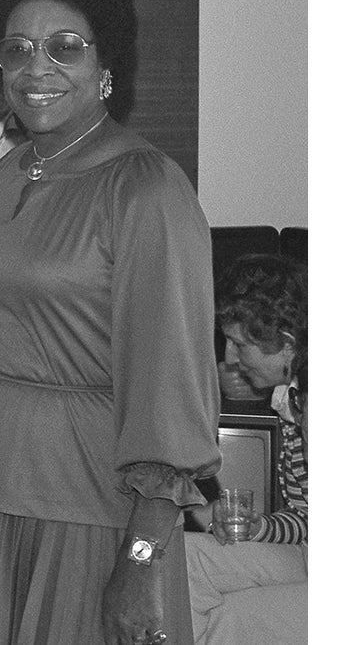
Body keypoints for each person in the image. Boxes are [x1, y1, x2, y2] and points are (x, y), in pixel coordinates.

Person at [0, 0, 221, 645]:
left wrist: (141, 561)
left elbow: (173, 392)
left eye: (65, 46)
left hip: (89, 513)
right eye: (16, 49)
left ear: (104, 63)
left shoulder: (147, 187)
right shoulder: (9, 172)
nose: (39, 68)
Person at [185, 254, 307, 645]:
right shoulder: (292, 399)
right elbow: (309, 517)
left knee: (230, 619)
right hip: (311, 553)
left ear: (286, 345)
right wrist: (263, 527)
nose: (229, 359)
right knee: (180, 560)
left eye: (240, 344)